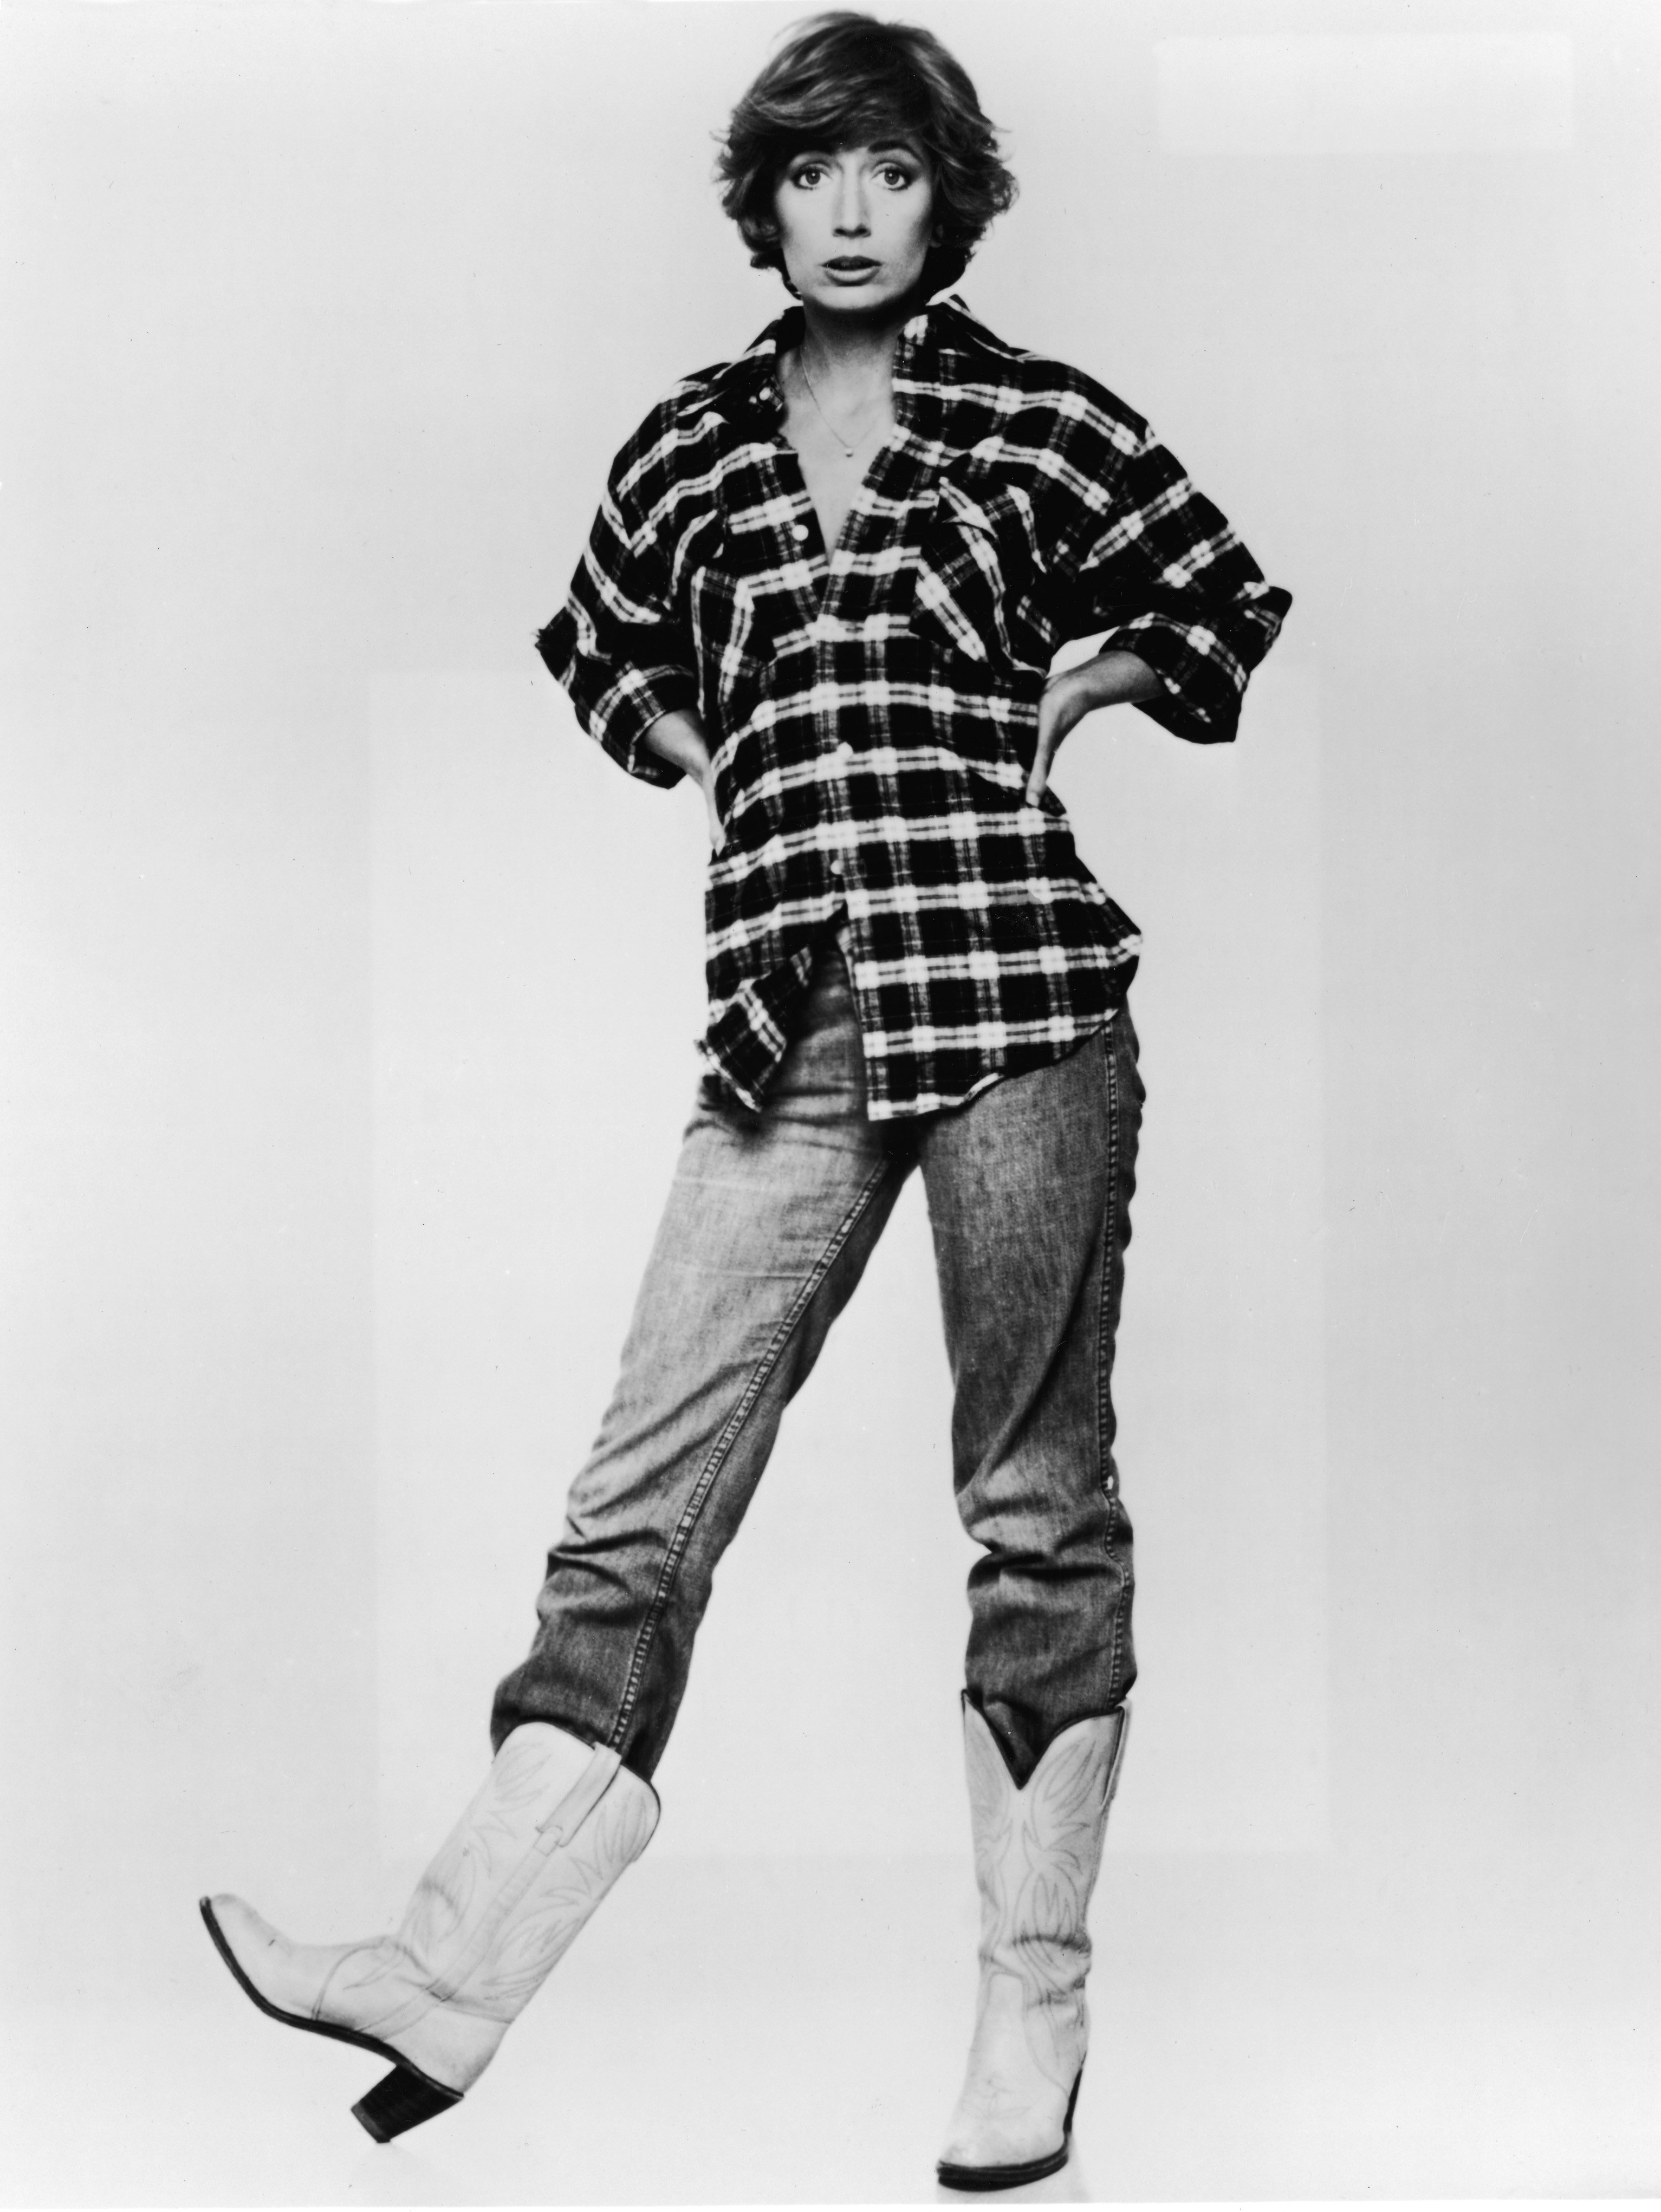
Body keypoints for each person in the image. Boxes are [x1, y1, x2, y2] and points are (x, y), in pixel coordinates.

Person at [200, 10, 1291, 2190]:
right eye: (814, 174)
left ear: (942, 194)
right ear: (768, 201)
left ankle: (1027, 2012)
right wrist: (727, 763)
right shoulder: (689, 442)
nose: (854, 209)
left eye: (891, 170)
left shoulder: (1034, 419)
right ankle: (449, 1965)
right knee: (642, 1482)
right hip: (786, 1018)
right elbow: (602, 651)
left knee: (1031, 1496)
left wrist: (1072, 686)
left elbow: (1217, 605)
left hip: (1015, 999)